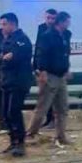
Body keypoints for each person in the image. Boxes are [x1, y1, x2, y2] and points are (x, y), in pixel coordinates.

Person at [27, 10, 71, 146]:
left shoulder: (66, 35)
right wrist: (42, 72)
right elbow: (41, 54)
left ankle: (61, 136)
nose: (69, 24)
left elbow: (65, 54)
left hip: (61, 75)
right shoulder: (47, 36)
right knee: (43, 106)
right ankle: (30, 133)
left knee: (62, 108)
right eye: (68, 21)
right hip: (50, 75)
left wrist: (67, 69)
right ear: (61, 22)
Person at [0, 12, 33, 156]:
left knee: (13, 111)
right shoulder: (6, 39)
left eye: (4, 24)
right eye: (1, 24)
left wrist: (12, 56)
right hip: (6, 81)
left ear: (12, 24)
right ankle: (13, 142)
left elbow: (22, 55)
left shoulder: (22, 39)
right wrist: (3, 58)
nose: (2, 27)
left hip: (18, 81)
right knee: (6, 113)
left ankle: (20, 143)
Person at [33, 9, 58, 129]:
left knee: (52, 96)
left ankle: (53, 120)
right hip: (43, 68)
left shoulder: (58, 31)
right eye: (48, 18)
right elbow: (39, 48)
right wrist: (36, 65)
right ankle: (48, 119)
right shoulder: (41, 28)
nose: (50, 21)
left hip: (53, 69)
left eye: (53, 18)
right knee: (44, 95)